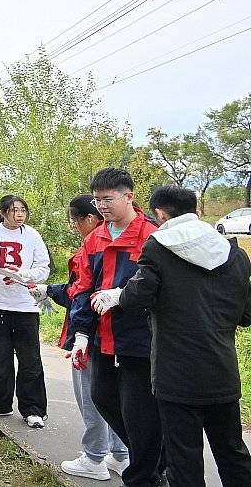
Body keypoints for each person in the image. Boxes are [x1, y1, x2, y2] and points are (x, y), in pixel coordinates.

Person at [92, 185, 251, 487]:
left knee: (184, 456)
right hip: (222, 371)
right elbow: (246, 315)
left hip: (175, 374)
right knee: (232, 451)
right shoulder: (234, 252)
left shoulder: (159, 246)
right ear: (197, 211)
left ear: (161, 214)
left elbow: (139, 296)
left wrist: (118, 295)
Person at [69, 167, 162, 487]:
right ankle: (152, 456)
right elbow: (82, 287)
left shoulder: (152, 235)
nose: (102, 207)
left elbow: (162, 287)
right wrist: (81, 334)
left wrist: (123, 297)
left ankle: (148, 471)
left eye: (108, 199)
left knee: (139, 410)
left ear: (129, 197)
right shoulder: (95, 237)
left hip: (140, 338)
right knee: (103, 397)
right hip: (103, 338)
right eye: (97, 201)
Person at [31, 196, 128, 481]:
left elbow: (79, 294)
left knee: (91, 396)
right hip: (118, 337)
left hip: (90, 334)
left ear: (89, 219)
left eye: (74, 221)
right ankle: (121, 453)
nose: (74, 227)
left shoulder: (93, 247)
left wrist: (50, 290)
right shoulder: (122, 244)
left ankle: (94, 457)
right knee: (114, 397)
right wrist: (49, 289)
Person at [0, 195, 50, 429]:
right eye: (14, 210)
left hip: (25, 306)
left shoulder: (32, 235)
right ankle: (0, 403)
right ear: (3, 212)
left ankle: (33, 408)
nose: (19, 214)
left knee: (30, 360)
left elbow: (43, 268)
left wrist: (24, 274)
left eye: (23, 210)